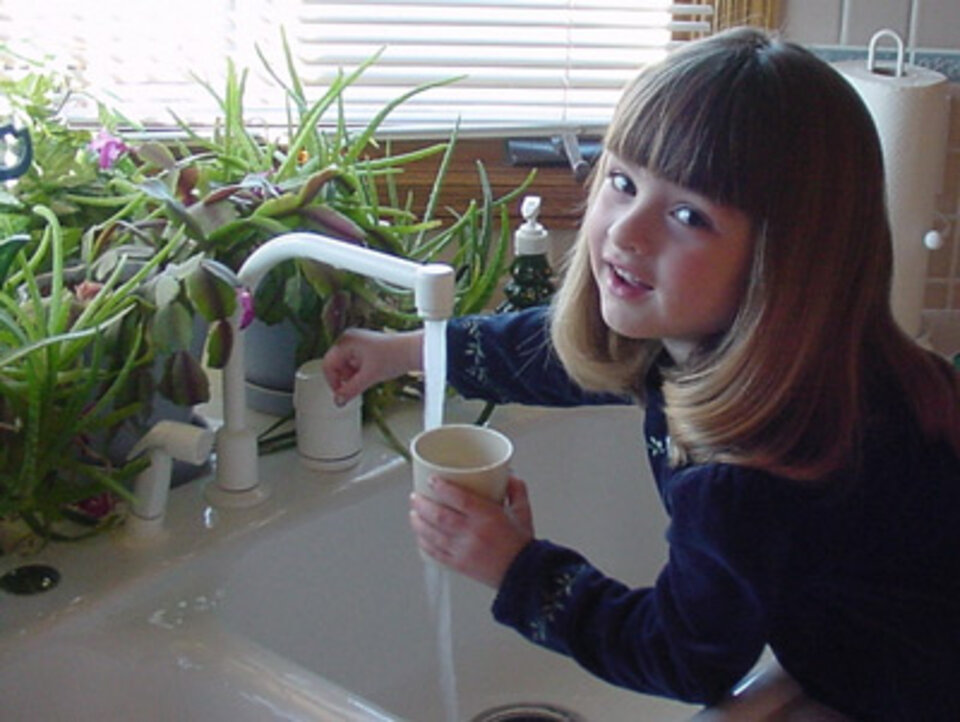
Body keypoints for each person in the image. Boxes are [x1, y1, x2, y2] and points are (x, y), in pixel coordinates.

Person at [322, 27, 960, 720]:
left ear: (784, 263)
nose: (627, 231)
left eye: (688, 215)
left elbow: (686, 656)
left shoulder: (751, 471)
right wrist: (413, 350)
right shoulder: (756, 347)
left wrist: (518, 569)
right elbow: (565, 356)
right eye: (623, 181)